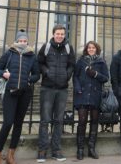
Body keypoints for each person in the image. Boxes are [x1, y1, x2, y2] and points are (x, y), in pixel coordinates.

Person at [0, 29, 40, 164]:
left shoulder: (32, 56)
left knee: (18, 124)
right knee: (8, 123)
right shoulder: (9, 53)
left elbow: (37, 74)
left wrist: (29, 79)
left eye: (25, 41)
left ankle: (11, 154)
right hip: (10, 92)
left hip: (25, 93)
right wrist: (4, 74)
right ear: (16, 41)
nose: (23, 43)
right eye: (21, 40)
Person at [37, 24, 76, 162]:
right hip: (47, 88)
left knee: (59, 121)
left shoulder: (68, 48)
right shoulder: (46, 47)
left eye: (62, 34)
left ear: (65, 35)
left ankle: (56, 150)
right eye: (57, 33)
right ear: (53, 34)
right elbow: (39, 62)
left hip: (62, 88)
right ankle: (42, 150)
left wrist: (67, 75)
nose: (59, 36)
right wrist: (46, 72)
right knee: (45, 120)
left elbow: (72, 64)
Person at [73, 41, 109, 160]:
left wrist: (95, 74)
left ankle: (91, 149)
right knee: (82, 121)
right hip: (82, 94)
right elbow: (76, 76)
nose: (91, 49)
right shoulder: (81, 61)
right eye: (89, 47)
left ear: (97, 49)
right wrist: (78, 88)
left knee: (94, 122)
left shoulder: (101, 61)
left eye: (93, 47)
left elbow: (105, 78)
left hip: (95, 95)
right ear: (86, 49)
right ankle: (80, 149)